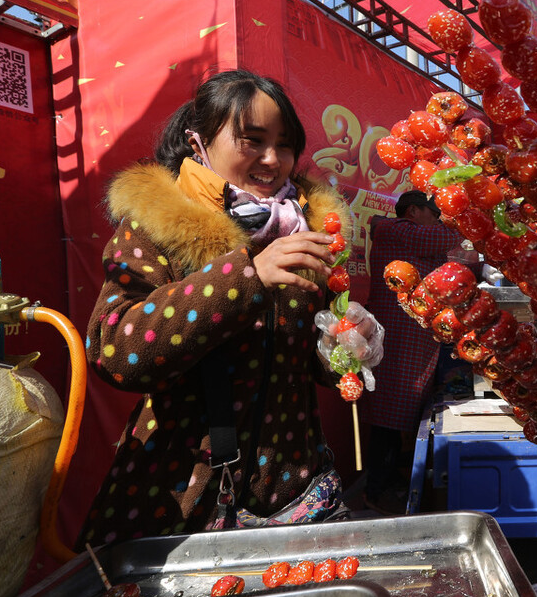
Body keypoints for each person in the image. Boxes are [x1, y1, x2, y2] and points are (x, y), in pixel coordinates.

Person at [79, 70, 364, 545]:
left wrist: (348, 345)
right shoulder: (155, 225)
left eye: (285, 144)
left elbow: (320, 369)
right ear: (199, 142)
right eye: (252, 141)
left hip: (299, 492)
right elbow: (115, 351)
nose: (272, 160)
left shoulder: (309, 228)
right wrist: (245, 275)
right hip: (186, 497)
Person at [362, 190, 461, 513]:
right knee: (389, 418)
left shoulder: (412, 235)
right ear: (415, 212)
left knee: (403, 415)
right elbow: (444, 236)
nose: (437, 218)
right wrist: (461, 215)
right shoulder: (396, 230)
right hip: (397, 338)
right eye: (433, 212)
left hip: (415, 338)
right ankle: (376, 489)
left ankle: (395, 481)